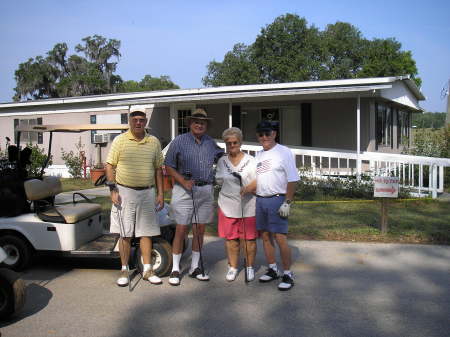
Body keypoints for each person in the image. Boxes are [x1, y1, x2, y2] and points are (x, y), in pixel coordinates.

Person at [164, 108, 224, 286]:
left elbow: (222, 157)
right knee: (181, 230)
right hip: (184, 190)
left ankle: (195, 267)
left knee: (200, 231)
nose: (199, 124)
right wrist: (182, 180)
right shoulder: (179, 141)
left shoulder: (210, 143)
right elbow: (168, 166)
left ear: (206, 125)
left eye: (203, 122)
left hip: (205, 190)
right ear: (190, 123)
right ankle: (175, 268)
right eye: (196, 122)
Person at [105, 110, 164, 287]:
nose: (138, 122)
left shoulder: (153, 141)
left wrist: (161, 193)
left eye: (141, 120)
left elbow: (158, 170)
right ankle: (124, 269)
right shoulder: (120, 140)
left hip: (147, 192)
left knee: (146, 232)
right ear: (130, 121)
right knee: (125, 233)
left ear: (145, 121)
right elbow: (109, 166)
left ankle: (148, 270)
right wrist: (112, 190)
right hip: (124, 191)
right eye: (135, 120)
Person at [255, 120, 299, 291]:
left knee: (280, 238)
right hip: (260, 199)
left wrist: (287, 202)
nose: (264, 137)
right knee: (265, 237)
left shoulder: (284, 152)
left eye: (268, 133)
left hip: (277, 199)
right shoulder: (258, 155)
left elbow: (292, 179)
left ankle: (287, 273)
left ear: (274, 134)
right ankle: (273, 269)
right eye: (261, 134)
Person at [215, 127, 258, 282]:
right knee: (231, 239)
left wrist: (248, 188)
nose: (232, 145)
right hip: (227, 205)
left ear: (240, 142)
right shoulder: (222, 161)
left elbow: (258, 180)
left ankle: (249, 267)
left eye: (235, 142)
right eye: (229, 143)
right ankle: (233, 267)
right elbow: (219, 180)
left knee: (249, 240)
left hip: (248, 205)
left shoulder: (252, 161)